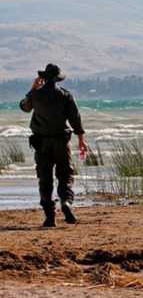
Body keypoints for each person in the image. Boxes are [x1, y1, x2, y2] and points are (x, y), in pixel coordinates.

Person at [19, 64, 87, 227]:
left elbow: (24, 107)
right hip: (61, 142)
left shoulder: (35, 95)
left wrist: (32, 89)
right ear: (57, 79)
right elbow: (75, 119)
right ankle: (66, 203)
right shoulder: (65, 95)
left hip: (41, 142)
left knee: (45, 178)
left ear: (43, 78)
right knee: (65, 175)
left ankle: (50, 217)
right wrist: (81, 139)